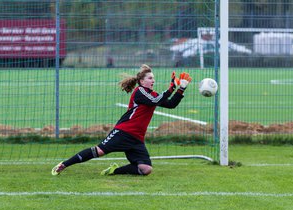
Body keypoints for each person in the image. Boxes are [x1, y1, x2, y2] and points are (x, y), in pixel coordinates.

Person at [52, 64, 192, 176]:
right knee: (99, 151)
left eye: (153, 78)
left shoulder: (153, 95)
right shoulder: (140, 92)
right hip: (124, 132)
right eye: (150, 78)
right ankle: (64, 164)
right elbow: (157, 99)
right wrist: (171, 87)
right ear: (142, 81)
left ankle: (114, 171)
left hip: (137, 138)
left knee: (146, 169)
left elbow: (170, 104)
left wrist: (181, 88)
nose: (153, 80)